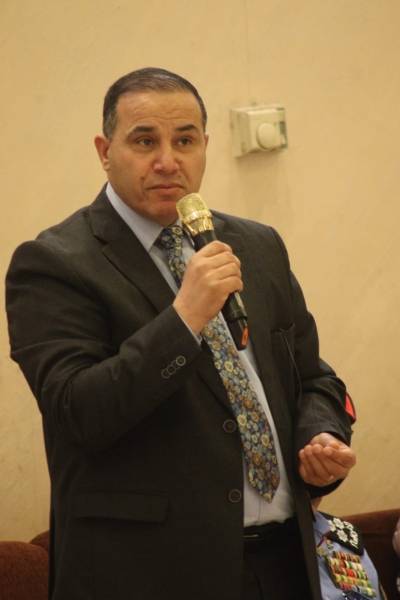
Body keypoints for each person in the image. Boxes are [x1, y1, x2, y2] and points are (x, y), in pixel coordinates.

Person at [6, 67, 356, 600]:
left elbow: (312, 378)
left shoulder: (257, 245)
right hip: (147, 574)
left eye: (185, 141)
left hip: (285, 562)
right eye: (145, 141)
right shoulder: (54, 263)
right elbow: (79, 412)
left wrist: (321, 436)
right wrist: (184, 318)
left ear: (205, 147)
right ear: (105, 150)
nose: (168, 161)